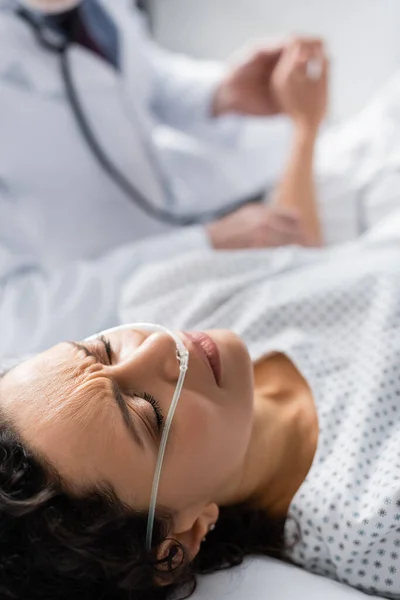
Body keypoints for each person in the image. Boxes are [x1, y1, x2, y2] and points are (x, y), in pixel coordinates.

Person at [1, 201, 400, 600]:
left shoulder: (171, 296)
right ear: (179, 540)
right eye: (148, 413)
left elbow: (317, 254)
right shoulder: (378, 520)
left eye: (102, 349)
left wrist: (303, 140)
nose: (158, 344)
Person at [0, 0, 330, 358]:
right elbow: (16, 320)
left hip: (182, 232)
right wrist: (199, 247)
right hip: (117, 314)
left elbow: (139, 75)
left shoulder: (87, 9)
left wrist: (220, 94)